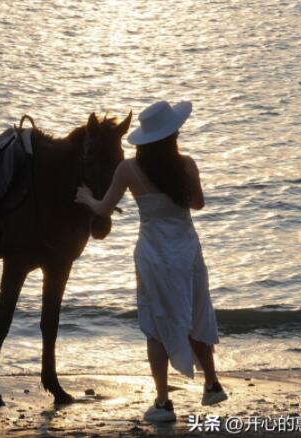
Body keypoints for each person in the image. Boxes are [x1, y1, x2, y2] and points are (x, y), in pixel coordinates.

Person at [74, 101, 228, 422]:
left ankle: (163, 403)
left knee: (156, 325)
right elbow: (197, 204)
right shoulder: (187, 165)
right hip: (187, 250)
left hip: (153, 254)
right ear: (172, 135)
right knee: (196, 313)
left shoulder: (129, 169)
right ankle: (212, 385)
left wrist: (87, 197)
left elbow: (103, 209)